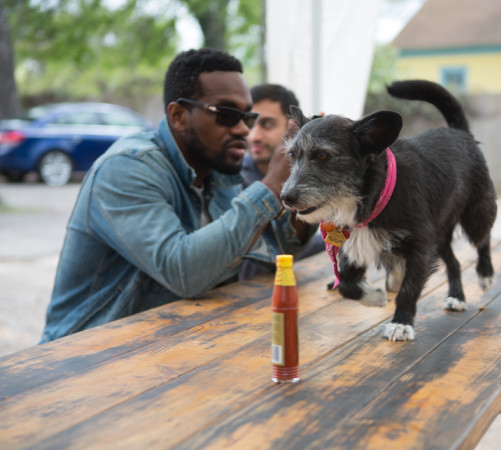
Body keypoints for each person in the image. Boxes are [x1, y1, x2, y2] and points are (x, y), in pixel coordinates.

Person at [40, 48, 314, 343]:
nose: (242, 129)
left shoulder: (217, 171)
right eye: (226, 114)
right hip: (84, 358)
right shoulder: (127, 168)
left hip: (172, 345)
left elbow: (278, 249)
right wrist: (272, 185)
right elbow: (184, 271)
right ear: (179, 116)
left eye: (247, 117)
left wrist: (312, 184)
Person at [239, 83, 325, 279]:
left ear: (294, 127)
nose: (254, 136)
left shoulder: (318, 173)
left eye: (267, 124)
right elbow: (271, 252)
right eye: (250, 124)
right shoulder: (234, 178)